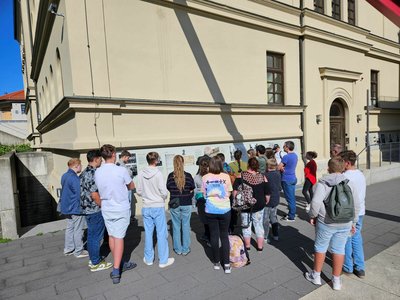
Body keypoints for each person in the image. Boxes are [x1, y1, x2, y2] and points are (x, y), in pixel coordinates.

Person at [305, 157, 359, 291]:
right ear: (343, 168)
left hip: (326, 221)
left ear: (329, 168)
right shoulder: (349, 183)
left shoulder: (323, 183)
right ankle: (336, 281)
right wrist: (353, 221)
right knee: (339, 249)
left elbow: (316, 203)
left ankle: (316, 276)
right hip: (345, 221)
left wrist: (313, 215)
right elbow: (355, 204)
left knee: (320, 247)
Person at [95, 144, 137, 284]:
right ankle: (116, 269)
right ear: (113, 154)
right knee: (118, 238)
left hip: (106, 208)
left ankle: (118, 262)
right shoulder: (121, 170)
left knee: (112, 236)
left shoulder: (98, 171)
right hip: (120, 207)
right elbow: (131, 186)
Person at [137, 152, 174, 269]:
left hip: (146, 206)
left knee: (148, 233)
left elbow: (139, 190)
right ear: (156, 160)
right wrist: (161, 198)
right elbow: (163, 191)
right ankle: (163, 260)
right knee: (161, 233)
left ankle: (148, 259)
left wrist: (147, 195)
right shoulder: (158, 173)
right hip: (157, 205)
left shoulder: (141, 173)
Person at [80, 149, 112, 272]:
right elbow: (94, 194)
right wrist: (103, 206)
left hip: (87, 209)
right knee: (95, 237)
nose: (101, 161)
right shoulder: (93, 173)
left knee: (92, 235)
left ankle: (93, 258)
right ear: (96, 159)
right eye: (100, 159)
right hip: (94, 209)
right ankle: (96, 262)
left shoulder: (84, 172)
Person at [202, 156, 232, 274]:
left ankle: (216, 262)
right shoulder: (226, 176)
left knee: (214, 236)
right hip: (224, 209)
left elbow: (204, 194)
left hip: (210, 209)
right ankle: (227, 264)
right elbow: (229, 192)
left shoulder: (205, 177)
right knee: (224, 236)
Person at [233, 158, 270, 251]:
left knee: (246, 225)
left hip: (245, 205)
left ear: (248, 165)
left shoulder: (241, 176)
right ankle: (260, 247)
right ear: (257, 165)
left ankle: (248, 246)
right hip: (259, 204)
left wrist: (236, 200)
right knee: (258, 225)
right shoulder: (262, 177)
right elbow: (267, 193)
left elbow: (235, 192)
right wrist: (266, 201)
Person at [340, 150, 366, 279]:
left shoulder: (345, 177)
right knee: (356, 238)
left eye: (342, 162)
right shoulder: (360, 174)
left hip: (349, 212)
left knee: (347, 239)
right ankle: (360, 267)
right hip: (360, 211)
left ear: (347, 163)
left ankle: (348, 266)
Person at [166, 155, 195, 256]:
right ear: (183, 163)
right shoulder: (188, 175)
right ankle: (185, 249)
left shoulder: (170, 176)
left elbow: (168, 187)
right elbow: (192, 187)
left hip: (175, 203)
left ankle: (178, 249)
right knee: (186, 226)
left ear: (174, 163)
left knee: (176, 226)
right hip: (186, 202)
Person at [60, 158, 88, 258]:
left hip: (66, 207)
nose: (81, 167)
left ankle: (68, 249)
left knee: (70, 228)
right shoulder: (75, 178)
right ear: (76, 166)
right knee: (78, 229)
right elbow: (79, 194)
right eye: (80, 165)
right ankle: (79, 251)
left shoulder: (64, 175)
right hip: (75, 207)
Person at [278, 141, 298, 221]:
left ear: (287, 147)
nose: (283, 148)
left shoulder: (286, 156)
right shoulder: (295, 155)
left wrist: (281, 168)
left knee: (290, 199)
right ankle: (291, 213)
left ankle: (291, 217)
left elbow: (278, 167)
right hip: (293, 177)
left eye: (284, 146)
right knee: (292, 197)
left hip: (287, 179)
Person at [116, 150, 137, 223]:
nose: (128, 159)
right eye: (128, 158)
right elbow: (127, 174)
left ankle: (127, 218)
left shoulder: (121, 164)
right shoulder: (119, 165)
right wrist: (131, 172)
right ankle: (126, 219)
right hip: (125, 188)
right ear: (124, 157)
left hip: (126, 187)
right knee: (127, 203)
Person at [194, 155, 211, 244]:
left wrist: (194, 204)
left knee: (205, 220)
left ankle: (208, 237)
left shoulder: (197, 177)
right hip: (211, 200)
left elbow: (194, 192)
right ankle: (211, 237)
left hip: (201, 201)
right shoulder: (212, 176)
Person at [264, 158, 281, 243]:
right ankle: (276, 235)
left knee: (266, 219)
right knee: (273, 217)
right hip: (276, 198)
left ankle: (265, 236)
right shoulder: (278, 174)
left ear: (268, 166)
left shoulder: (265, 175)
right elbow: (279, 187)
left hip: (268, 200)